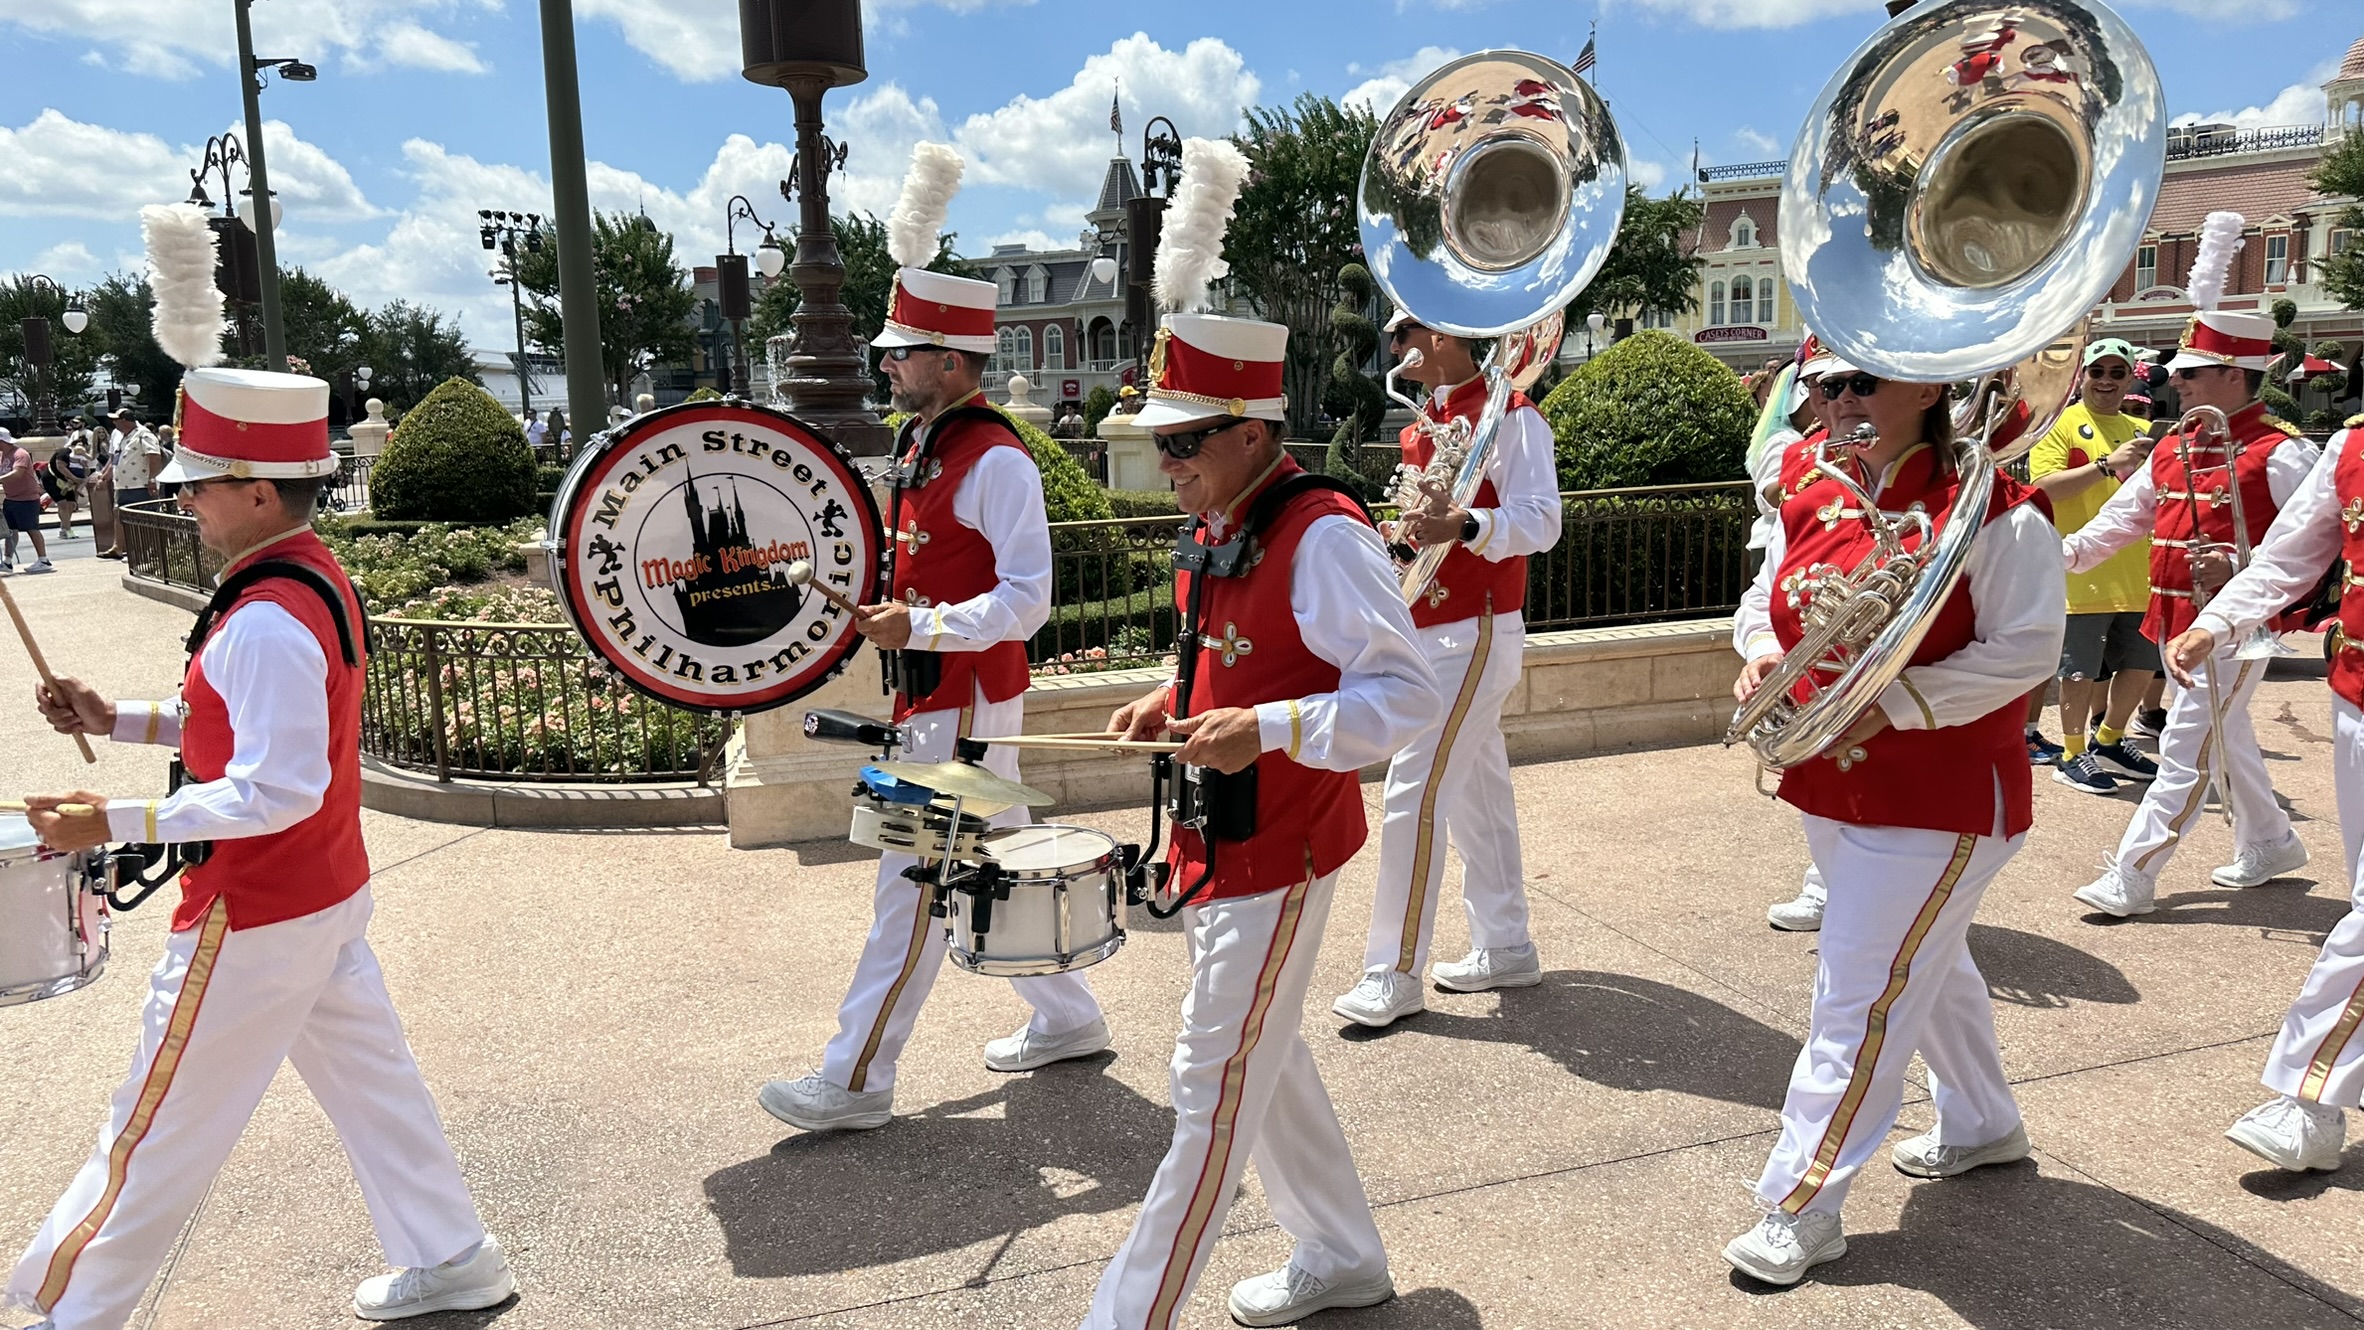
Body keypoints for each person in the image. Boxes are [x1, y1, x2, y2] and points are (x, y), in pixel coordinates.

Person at [6, 366, 513, 1328]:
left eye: (199, 480)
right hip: (314, 895)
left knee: (152, 1130)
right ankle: (451, 1255)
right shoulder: (302, 577)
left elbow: (277, 787)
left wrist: (109, 820)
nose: (182, 495)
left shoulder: (269, 611)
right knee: (376, 1089)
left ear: (258, 491)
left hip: (254, 909)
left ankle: (68, 1313)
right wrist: (117, 719)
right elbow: (233, 726)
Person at [1096, 309, 1439, 1327]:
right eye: (1159, 439)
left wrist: (1274, 727)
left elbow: (1407, 697)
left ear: (1252, 429)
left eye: (1183, 439)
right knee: (1266, 1052)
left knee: (1210, 1080)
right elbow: (1235, 652)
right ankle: (1341, 1251)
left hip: (1278, 849)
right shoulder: (1223, 521)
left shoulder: (1323, 533)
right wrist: (1174, 697)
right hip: (1222, 839)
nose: (1166, 460)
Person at [1725, 363, 2063, 1286]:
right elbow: (1769, 589)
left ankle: (1802, 1202)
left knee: (1860, 992)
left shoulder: (1995, 508)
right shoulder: (1809, 478)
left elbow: (2030, 650)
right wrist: (1761, 649)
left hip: (1943, 796)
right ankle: (1985, 1122)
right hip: (1832, 782)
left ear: (1927, 389)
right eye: (1827, 387)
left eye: (1863, 384)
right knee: (1928, 961)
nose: (1839, 403)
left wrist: (1902, 701)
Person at [757, 260, 1110, 1134]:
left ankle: (856, 1079)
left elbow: (1030, 599)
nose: (885, 366)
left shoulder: (994, 457)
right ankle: (1071, 1018)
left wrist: (921, 629)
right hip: (937, 702)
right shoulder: (928, 443)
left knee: (908, 883)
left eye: (902, 353)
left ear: (951, 361)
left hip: (963, 704)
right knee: (994, 855)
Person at [1331, 310, 1561, 1027]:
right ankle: (1506, 941)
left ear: (1440, 337)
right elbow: (1422, 529)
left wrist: (1465, 525)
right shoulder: (1421, 422)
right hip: (1433, 626)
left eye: (1402, 336)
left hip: (1477, 627)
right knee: (1475, 796)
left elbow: (1542, 520)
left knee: (1415, 792)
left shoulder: (1513, 417)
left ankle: (1393, 969)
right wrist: (1397, 543)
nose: (1393, 351)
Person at [2060, 307, 2318, 917]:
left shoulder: (2280, 453)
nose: (2174, 381)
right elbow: (2120, 523)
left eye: (2193, 371)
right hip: (2172, 624)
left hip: (2236, 630)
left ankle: (2133, 873)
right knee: (2225, 734)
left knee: (2184, 748)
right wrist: (2054, 557)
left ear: (2235, 375)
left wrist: (2237, 565)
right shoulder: (2171, 446)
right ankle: (2272, 841)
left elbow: (2314, 553)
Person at [2162, 421, 2364, 1172]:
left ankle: (2308, 1100)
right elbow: (2289, 554)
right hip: (2357, 702)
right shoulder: (2352, 447)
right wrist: (2217, 622)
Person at [2027, 338, 2162, 796]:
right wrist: (2107, 465)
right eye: (2097, 371)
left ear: (2129, 379)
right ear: (2081, 376)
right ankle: (2070, 753)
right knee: (2078, 672)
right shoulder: (2057, 425)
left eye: (2116, 373)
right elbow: (2043, 489)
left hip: (2137, 573)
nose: (2105, 381)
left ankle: (2109, 740)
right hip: (2078, 572)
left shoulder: (2140, 427)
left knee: (2143, 666)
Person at [0, 429, 54, 574]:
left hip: (27, 499)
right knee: (10, 531)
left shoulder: (20, 454)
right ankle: (7, 562)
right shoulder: (2, 455)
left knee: (32, 528)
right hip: (11, 498)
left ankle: (44, 560)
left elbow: (18, 473)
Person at [43, 433, 88, 539]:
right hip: (52, 480)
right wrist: (75, 479)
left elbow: (86, 473)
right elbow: (61, 467)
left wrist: (84, 466)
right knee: (62, 504)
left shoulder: (81, 457)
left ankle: (64, 528)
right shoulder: (64, 452)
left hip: (68, 483)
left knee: (72, 505)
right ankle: (68, 530)